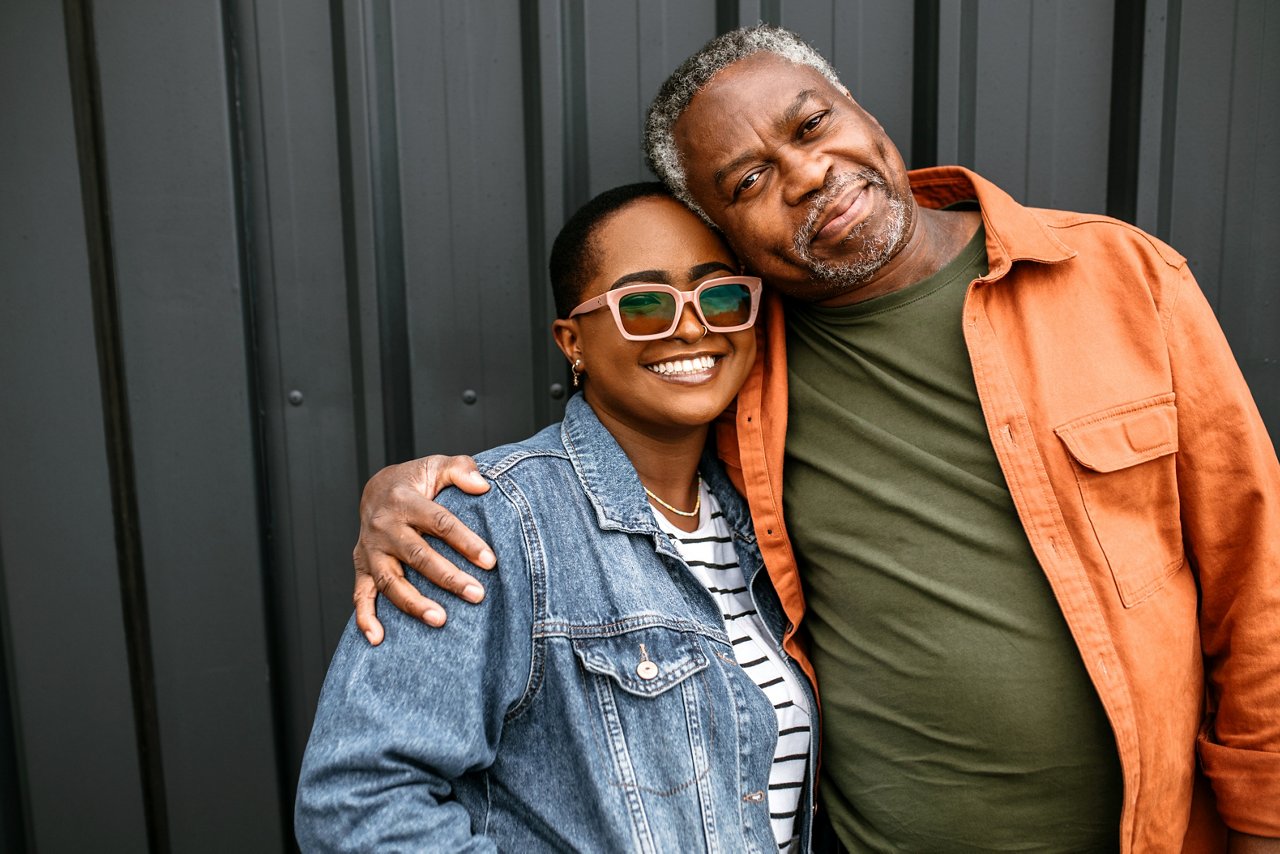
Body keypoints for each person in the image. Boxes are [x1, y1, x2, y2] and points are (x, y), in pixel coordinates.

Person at [348, 26, 1280, 853]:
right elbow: (605, 459)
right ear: (730, 234)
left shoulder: (1118, 277)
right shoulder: (741, 354)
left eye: (808, 126)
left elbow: (1259, 575)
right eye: (748, 180)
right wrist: (401, 493)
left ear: (861, 114)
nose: (805, 175)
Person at [296, 183, 816, 852]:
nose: (692, 327)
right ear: (573, 341)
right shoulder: (491, 523)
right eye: (646, 304)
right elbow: (358, 807)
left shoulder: (764, 519)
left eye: (719, 296)